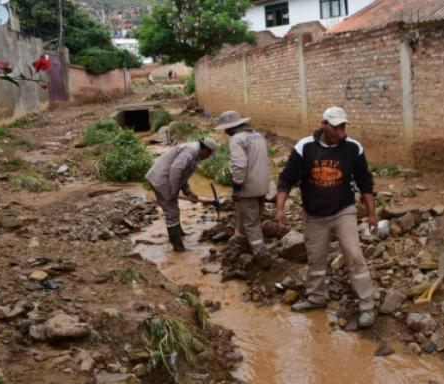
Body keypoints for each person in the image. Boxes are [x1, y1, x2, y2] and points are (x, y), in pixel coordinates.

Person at [276, 106, 378, 327]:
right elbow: (286, 179)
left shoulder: (353, 148)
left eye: (343, 127)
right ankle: (316, 298)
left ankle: (367, 305)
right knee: (316, 258)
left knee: (354, 254)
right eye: (336, 127)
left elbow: (365, 182)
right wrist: (280, 209)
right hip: (314, 214)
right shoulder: (304, 148)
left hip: (344, 210)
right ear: (324, 125)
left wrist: (372, 213)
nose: (341, 132)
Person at [145, 137, 217, 252]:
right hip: (161, 179)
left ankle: (179, 234)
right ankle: (178, 247)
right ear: (207, 150)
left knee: (174, 208)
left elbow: (183, 175)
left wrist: (188, 192)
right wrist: (173, 191)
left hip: (165, 179)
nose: (207, 158)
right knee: (172, 212)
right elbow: (176, 169)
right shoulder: (191, 151)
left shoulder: (195, 152)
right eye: (208, 155)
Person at [214, 111, 270, 258]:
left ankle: (262, 255)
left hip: (248, 187)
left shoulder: (237, 139)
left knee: (251, 223)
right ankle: (240, 244)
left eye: (226, 128)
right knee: (247, 216)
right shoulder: (258, 136)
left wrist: (237, 188)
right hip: (263, 185)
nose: (225, 131)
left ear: (232, 127)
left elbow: (239, 166)